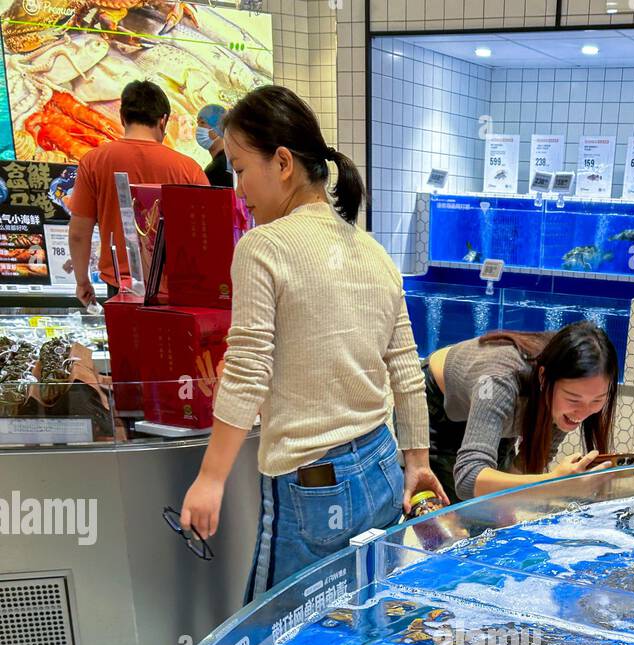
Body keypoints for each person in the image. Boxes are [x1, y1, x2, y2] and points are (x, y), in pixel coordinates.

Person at [179, 84, 443, 602]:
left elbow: (249, 366)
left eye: (239, 168)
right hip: (384, 467)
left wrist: (210, 477)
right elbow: (406, 370)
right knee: (363, 625)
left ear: (281, 163)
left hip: (316, 487)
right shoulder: (373, 252)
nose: (238, 190)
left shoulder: (262, 247)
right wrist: (417, 462)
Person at [424, 325, 619, 502]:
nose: (583, 412)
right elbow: (468, 480)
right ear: (544, 377)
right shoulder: (497, 383)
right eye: (573, 399)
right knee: (453, 523)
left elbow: (527, 463)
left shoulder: (561, 398)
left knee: (497, 517)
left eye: (597, 400)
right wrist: (555, 485)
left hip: (497, 411)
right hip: (439, 410)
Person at [68, 79, 208, 303]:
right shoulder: (188, 168)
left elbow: (78, 233)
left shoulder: (94, 161)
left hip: (120, 286)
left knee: (126, 340)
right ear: (163, 121)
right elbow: (206, 236)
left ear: (123, 117)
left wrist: (82, 281)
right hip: (175, 291)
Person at [196, 104, 233, 188]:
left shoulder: (218, 169)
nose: (198, 129)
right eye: (197, 123)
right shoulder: (227, 161)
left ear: (218, 129)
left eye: (202, 123)